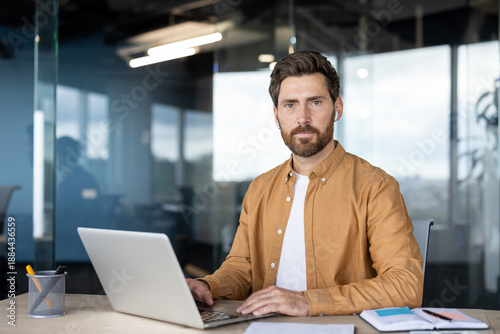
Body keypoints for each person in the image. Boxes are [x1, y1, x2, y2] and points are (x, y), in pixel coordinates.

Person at [187, 50, 423, 316]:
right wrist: (208, 285)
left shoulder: (376, 187)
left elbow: (405, 285)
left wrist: (308, 301)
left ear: (338, 108)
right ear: (276, 115)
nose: (302, 118)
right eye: (290, 105)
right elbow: (242, 269)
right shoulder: (260, 188)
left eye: (315, 102)